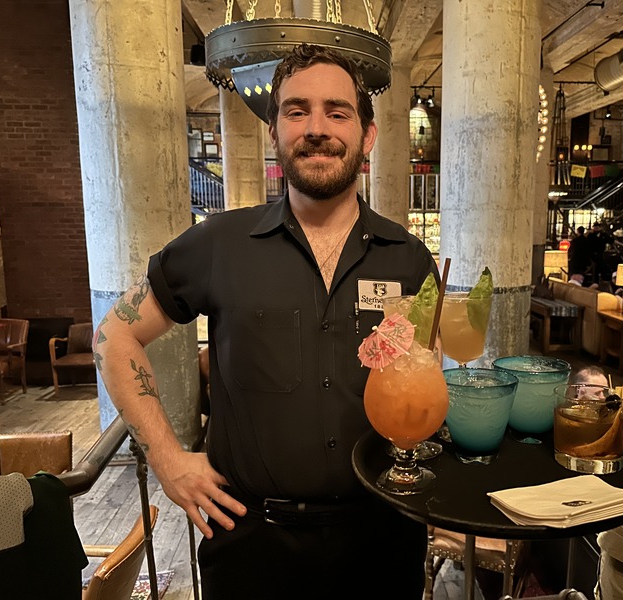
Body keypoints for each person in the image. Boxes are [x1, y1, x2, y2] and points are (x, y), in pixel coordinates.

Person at [93, 44, 438, 599]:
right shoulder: (219, 244)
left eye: (337, 112)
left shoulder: (409, 258)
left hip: (384, 537)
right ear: (274, 131)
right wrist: (167, 459)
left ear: (368, 135)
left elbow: (422, 382)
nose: (317, 128)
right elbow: (114, 336)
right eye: (297, 111)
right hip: (251, 546)